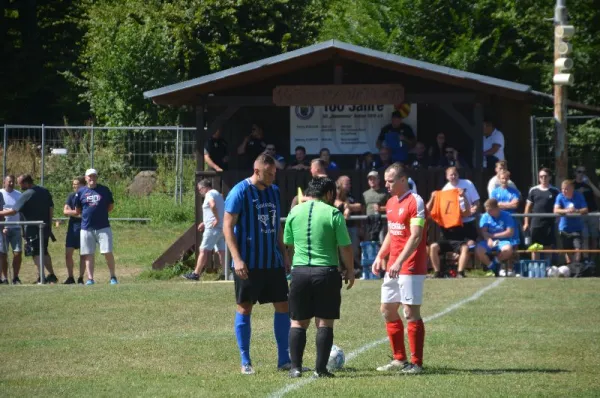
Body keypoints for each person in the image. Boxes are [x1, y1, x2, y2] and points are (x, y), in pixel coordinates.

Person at [223, 154, 291, 375]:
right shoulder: (239, 192)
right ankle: (245, 361)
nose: (273, 177)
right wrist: (237, 258)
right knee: (245, 307)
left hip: (272, 261)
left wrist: (284, 253)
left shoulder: (274, 191)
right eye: (269, 174)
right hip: (249, 263)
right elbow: (227, 228)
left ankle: (284, 360)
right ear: (257, 171)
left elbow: (276, 225)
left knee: (283, 305)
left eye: (274, 174)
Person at [284, 177, 355, 378]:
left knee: (298, 322)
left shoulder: (294, 212)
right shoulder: (333, 213)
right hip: (326, 273)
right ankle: (320, 369)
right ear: (330, 194)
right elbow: (346, 247)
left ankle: (295, 368)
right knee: (325, 322)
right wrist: (350, 270)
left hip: (299, 272)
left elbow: (288, 243)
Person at [372, 163, 427, 374]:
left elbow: (415, 236)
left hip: (410, 265)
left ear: (403, 180)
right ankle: (399, 359)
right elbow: (391, 233)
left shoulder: (416, 201)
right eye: (385, 180)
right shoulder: (391, 202)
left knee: (410, 312)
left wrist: (399, 262)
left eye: (390, 181)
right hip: (394, 265)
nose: (386, 184)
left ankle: (417, 363)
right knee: (387, 310)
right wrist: (380, 255)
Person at [0, 174, 57, 284]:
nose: (18, 185)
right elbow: (51, 208)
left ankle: (42, 277)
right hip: (44, 228)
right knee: (44, 252)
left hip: (32, 230)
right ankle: (52, 275)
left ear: (26, 183)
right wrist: (49, 225)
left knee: (35, 253)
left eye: (20, 183)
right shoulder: (44, 191)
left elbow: (13, 211)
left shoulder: (27, 194)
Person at [75, 169, 117, 285]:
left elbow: (110, 206)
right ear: (85, 178)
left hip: (103, 226)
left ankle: (113, 276)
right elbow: (78, 210)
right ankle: (90, 278)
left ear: (97, 177)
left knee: (107, 252)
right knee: (88, 253)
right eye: (90, 176)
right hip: (86, 227)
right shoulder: (81, 192)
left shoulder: (104, 190)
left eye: (94, 176)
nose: (92, 178)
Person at [183, 179, 225, 281]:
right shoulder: (218, 194)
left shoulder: (209, 194)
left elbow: (213, 205)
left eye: (199, 189)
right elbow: (218, 208)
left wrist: (216, 219)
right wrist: (205, 223)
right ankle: (225, 273)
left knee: (203, 250)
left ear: (204, 188)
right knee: (221, 251)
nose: (199, 192)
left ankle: (196, 274)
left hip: (212, 229)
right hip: (220, 228)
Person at [427, 189, 473, 278]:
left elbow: (468, 212)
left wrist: (464, 196)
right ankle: (437, 273)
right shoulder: (439, 212)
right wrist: (432, 198)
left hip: (458, 240)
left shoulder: (457, 211)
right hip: (444, 239)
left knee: (465, 248)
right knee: (433, 247)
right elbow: (426, 211)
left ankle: (460, 273)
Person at [523, 168, 560, 259]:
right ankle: (535, 269)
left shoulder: (555, 191)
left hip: (549, 223)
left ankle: (548, 269)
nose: (543, 178)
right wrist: (526, 222)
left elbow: (559, 207)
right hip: (536, 223)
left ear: (550, 177)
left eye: (545, 176)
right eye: (541, 176)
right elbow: (528, 207)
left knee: (548, 247)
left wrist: (557, 221)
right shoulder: (533, 190)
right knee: (535, 247)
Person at [476, 199, 515, 277]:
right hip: (488, 240)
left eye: (490, 210)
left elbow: (510, 232)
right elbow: (484, 232)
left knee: (508, 249)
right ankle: (493, 267)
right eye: (487, 210)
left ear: (497, 208)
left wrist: (493, 236)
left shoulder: (506, 215)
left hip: (503, 241)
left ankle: (496, 262)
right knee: (478, 249)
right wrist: (489, 239)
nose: (488, 212)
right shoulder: (485, 216)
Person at [442, 167, 480, 242]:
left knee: (472, 245)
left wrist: (474, 209)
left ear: (458, 175)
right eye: (451, 175)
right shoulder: (445, 190)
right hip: (456, 223)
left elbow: (476, 201)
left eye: (455, 174)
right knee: (460, 247)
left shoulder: (468, 183)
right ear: (447, 177)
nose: (453, 177)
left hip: (469, 220)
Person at [554, 180, 588, 264]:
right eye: (562, 189)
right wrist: (567, 210)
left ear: (572, 188)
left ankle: (577, 266)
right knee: (567, 249)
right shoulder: (560, 196)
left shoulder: (579, 196)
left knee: (578, 248)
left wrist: (576, 210)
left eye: (566, 189)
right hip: (564, 228)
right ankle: (570, 267)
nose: (564, 191)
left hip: (577, 228)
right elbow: (555, 210)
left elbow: (585, 209)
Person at [335, 176, 362, 274]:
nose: (349, 185)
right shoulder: (334, 196)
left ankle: (352, 270)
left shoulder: (350, 195)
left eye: (350, 183)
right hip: (339, 228)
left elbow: (359, 206)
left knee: (353, 250)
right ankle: (341, 271)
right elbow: (336, 204)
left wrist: (348, 207)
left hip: (351, 227)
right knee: (340, 251)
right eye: (347, 183)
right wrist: (346, 207)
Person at [63, 176, 86, 284]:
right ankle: (70, 277)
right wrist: (76, 213)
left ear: (82, 185)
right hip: (72, 229)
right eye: (73, 184)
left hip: (84, 227)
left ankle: (81, 278)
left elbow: (86, 214)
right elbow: (65, 211)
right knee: (68, 254)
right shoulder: (71, 196)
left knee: (83, 254)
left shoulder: (86, 196)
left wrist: (75, 213)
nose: (74, 186)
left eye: (76, 184)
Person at [574, 166, 600, 259]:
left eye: (583, 172)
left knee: (594, 236)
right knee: (584, 237)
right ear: (575, 173)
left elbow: (598, 194)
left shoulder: (588, 184)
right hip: (580, 214)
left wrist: (590, 183)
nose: (581, 174)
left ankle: (592, 260)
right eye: (579, 171)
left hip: (593, 212)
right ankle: (585, 259)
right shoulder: (573, 185)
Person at [0, 175, 22, 284]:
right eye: (9, 182)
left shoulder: (19, 195)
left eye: (13, 182)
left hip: (16, 228)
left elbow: (22, 211)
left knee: (17, 253)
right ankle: (4, 278)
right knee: (3, 254)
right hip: (3, 228)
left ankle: (16, 277)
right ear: (4, 182)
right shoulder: (1, 193)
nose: (11, 184)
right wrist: (2, 227)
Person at [362, 171, 389, 243]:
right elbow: (363, 209)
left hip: (382, 223)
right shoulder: (365, 194)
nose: (372, 181)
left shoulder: (385, 193)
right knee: (369, 244)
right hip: (368, 223)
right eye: (370, 179)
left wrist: (381, 209)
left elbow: (392, 207)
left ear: (378, 180)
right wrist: (361, 225)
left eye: (374, 179)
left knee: (382, 243)